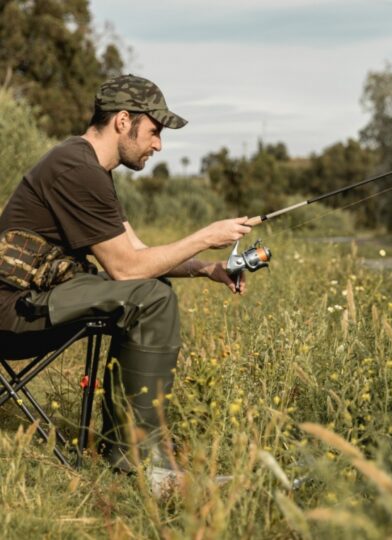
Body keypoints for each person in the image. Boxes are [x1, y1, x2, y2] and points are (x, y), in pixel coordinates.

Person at [0, 74, 251, 486]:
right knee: (150, 297)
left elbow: (138, 253)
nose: (158, 145)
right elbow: (127, 270)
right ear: (122, 121)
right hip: (12, 314)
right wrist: (205, 236)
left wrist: (207, 267)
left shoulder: (89, 168)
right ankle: (142, 464)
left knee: (155, 291)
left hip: (32, 301)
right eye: (154, 132)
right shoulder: (75, 168)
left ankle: (131, 453)